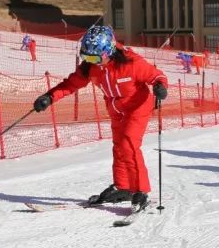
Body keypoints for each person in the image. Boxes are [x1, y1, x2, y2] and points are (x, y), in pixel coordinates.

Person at [32, 25, 167, 209]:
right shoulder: (90, 67)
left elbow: (157, 76)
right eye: (86, 56)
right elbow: (71, 84)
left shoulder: (131, 62)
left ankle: (140, 191)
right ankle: (123, 187)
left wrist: (160, 86)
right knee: (119, 147)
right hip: (116, 109)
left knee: (128, 144)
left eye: (94, 57)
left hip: (138, 107)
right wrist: (49, 97)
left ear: (108, 51)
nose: (90, 61)